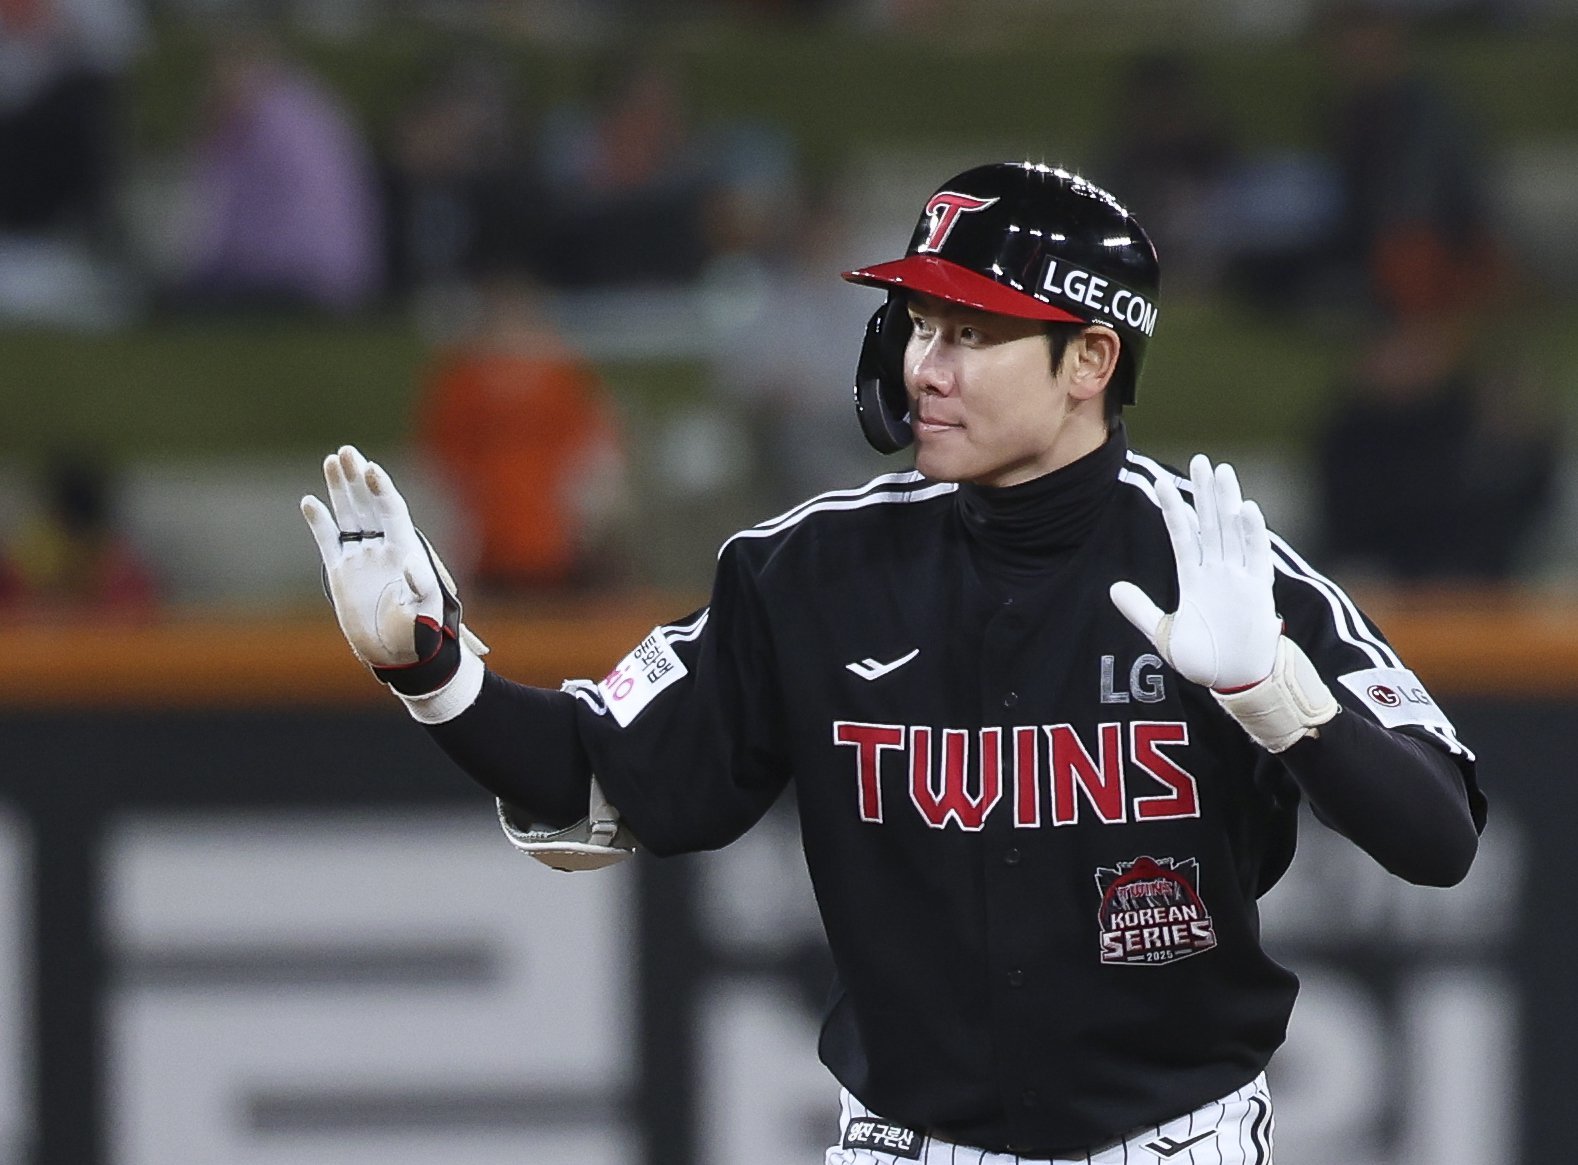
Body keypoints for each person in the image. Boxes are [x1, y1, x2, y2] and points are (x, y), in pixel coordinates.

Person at [301, 161, 1485, 1163]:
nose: (926, 367)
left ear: (1089, 359)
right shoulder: (811, 570)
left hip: (1173, 1141)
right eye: (920, 325)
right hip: (906, 1143)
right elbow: (601, 775)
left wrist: (1272, 694)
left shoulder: (1220, 564)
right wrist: (434, 671)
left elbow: (1438, 836)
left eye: (973, 333)